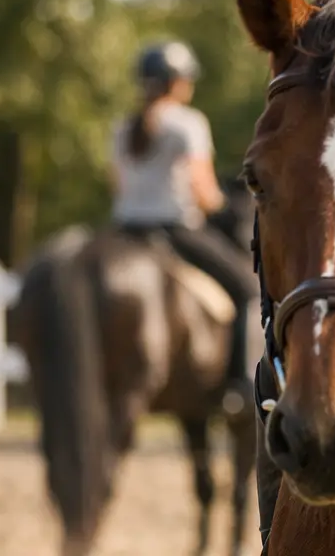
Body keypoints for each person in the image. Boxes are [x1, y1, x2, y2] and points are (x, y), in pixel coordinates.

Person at [111, 41, 256, 411]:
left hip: (125, 232)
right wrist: (230, 206)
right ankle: (240, 385)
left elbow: (119, 186)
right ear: (177, 82)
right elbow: (203, 192)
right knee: (248, 289)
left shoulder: (123, 127)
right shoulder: (188, 123)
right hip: (175, 230)